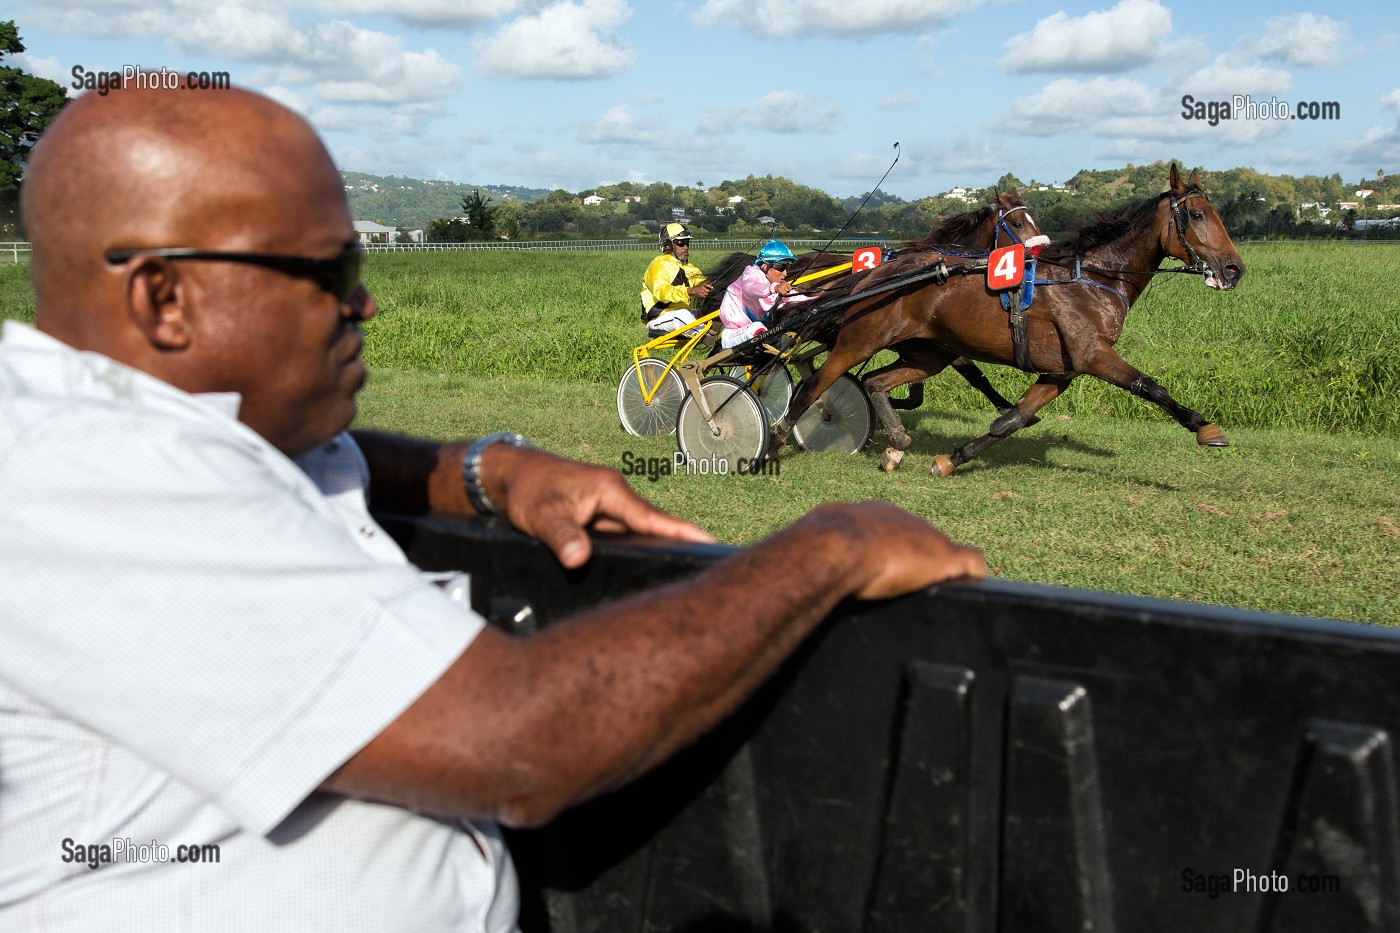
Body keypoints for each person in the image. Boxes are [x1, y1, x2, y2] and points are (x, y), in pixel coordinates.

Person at [0, 84, 986, 932]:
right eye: (331, 273)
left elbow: (273, 452)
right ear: (163, 299)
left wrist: (478, 471)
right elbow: (520, 744)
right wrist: (828, 544)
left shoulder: (106, 417)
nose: (367, 305)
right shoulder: (99, 475)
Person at [717, 238, 813, 349]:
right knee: (758, 328)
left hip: (757, 328)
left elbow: (797, 298)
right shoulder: (751, 272)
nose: (785, 273)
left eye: (787, 268)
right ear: (766, 266)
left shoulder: (776, 284)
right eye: (781, 267)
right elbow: (750, 289)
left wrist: (819, 301)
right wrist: (775, 288)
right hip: (734, 331)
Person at [640, 221, 712, 337]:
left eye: (687, 243)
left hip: (684, 316)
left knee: (714, 310)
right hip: (660, 318)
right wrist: (692, 291)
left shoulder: (688, 267)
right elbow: (662, 292)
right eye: (681, 243)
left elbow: (702, 282)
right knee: (682, 315)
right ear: (667, 245)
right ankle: (706, 336)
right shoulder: (657, 265)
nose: (686, 247)